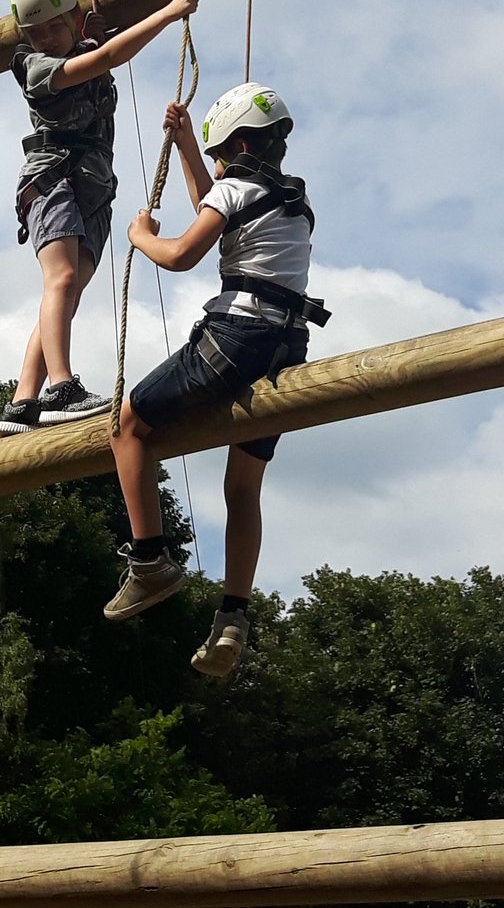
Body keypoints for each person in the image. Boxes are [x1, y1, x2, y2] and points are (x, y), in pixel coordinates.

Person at [103, 82, 331, 677]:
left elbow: (183, 253)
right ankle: (233, 617)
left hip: (237, 336)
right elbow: (222, 207)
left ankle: (149, 561)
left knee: (128, 426)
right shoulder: (293, 203)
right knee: (243, 489)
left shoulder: (233, 189)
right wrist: (186, 147)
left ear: (239, 146)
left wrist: (141, 237)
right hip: (287, 347)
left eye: (219, 154)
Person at [0, 0, 198, 436]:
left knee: (68, 290)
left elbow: (115, 17)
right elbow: (108, 57)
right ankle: (61, 387)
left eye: (53, 29)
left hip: (93, 189)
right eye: (36, 32)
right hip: (53, 180)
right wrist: (169, 14)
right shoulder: (35, 67)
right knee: (60, 280)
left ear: (73, 16)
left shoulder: (85, 33)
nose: (45, 39)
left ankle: (24, 398)